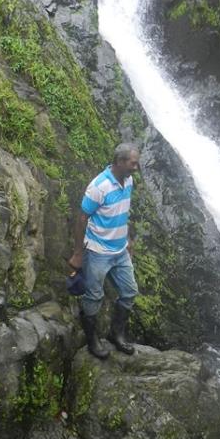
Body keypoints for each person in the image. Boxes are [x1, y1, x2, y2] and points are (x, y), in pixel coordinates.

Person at [68, 143, 140, 359]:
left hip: (120, 251)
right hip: (98, 251)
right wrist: (78, 253)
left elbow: (123, 210)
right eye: (133, 163)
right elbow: (82, 218)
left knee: (129, 292)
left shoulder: (128, 180)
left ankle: (116, 335)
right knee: (94, 296)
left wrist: (128, 239)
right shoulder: (99, 186)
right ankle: (92, 340)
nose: (136, 167)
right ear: (120, 162)